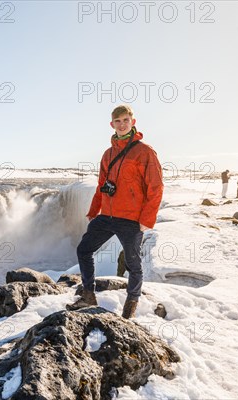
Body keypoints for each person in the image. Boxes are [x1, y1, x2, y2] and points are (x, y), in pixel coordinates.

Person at [70, 105, 163, 319]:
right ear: (112, 124)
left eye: (125, 120)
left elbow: (156, 187)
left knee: (133, 264)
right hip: (107, 216)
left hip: (131, 219)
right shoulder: (108, 154)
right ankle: (88, 295)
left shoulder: (145, 152)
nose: (122, 124)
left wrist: (146, 220)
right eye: (117, 121)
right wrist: (94, 211)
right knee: (84, 250)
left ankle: (130, 306)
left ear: (133, 121)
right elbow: (102, 185)